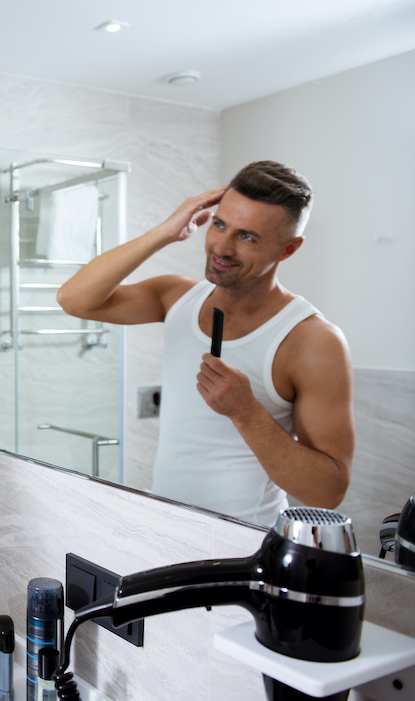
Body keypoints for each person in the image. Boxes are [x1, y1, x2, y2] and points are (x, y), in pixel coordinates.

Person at [56, 161, 353, 525]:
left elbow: (327, 492)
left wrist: (246, 412)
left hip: (247, 550)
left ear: (288, 250)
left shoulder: (311, 341)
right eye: (220, 225)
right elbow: (74, 300)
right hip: (166, 529)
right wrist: (164, 232)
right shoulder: (176, 297)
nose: (221, 248)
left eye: (247, 236)